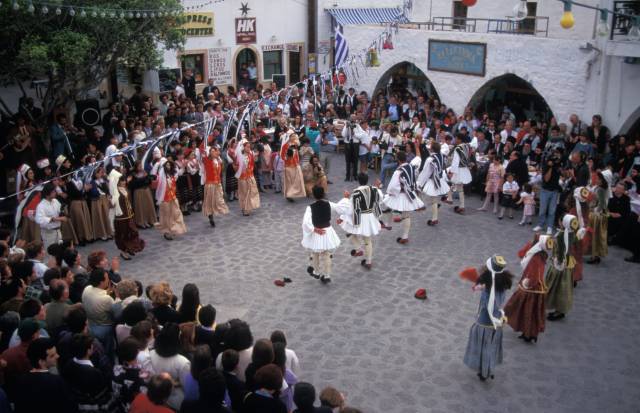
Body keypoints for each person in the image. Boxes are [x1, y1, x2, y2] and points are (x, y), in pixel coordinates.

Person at [462, 255, 513, 381]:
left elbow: (486, 305)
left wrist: (482, 288)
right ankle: (489, 369)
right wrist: (482, 287)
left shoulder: (489, 288)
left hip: (485, 322)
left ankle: (484, 372)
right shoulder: (501, 284)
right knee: (491, 346)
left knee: (484, 347)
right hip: (497, 322)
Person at [504, 235, 554, 343]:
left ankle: (528, 333)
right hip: (536, 288)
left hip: (532, 289)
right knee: (532, 312)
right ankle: (530, 333)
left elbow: (534, 274)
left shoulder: (536, 257)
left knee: (527, 311)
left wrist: (527, 283)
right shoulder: (541, 255)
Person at [13, 338, 78, 413]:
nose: (58, 356)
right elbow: (71, 407)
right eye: (52, 355)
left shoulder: (20, 382)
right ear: (41, 361)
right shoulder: (58, 382)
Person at [337, 173, 383, 270]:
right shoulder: (374, 189)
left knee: (350, 233)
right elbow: (380, 199)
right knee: (367, 240)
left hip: (360, 218)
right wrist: (378, 187)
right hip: (370, 216)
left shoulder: (356, 193)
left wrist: (345, 198)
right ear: (367, 180)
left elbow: (350, 209)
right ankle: (368, 261)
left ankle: (358, 249)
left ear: (358, 180)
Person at [546, 214, 584, 321]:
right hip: (567, 263)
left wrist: (557, 260)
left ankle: (559, 310)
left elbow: (560, 251)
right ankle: (560, 309)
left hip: (560, 265)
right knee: (563, 287)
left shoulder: (561, 235)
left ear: (562, 222)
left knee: (557, 286)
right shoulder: (571, 234)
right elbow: (575, 240)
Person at [381, 151, 424, 245]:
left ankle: (388, 224)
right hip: (410, 193)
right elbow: (417, 164)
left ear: (398, 160)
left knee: (390, 204)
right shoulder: (411, 166)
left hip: (401, 193)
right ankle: (405, 236)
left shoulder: (398, 171)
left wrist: (391, 193)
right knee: (407, 215)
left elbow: (393, 186)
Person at [302, 185, 342, 284]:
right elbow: (340, 209)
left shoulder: (310, 207)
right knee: (326, 253)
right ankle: (327, 275)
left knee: (315, 253)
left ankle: (316, 272)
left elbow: (306, 222)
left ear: (313, 195)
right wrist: (345, 198)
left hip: (317, 232)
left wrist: (314, 229)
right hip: (327, 231)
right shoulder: (329, 204)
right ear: (323, 194)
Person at [149, 322, 191, 410]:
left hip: (154, 394)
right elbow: (186, 386)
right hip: (175, 400)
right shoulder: (183, 362)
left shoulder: (151, 353)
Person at [82, 268, 116, 357]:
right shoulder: (106, 299)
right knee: (109, 350)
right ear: (101, 282)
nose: (108, 279)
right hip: (104, 327)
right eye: (107, 278)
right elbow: (115, 311)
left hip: (90, 324)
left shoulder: (87, 289)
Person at [416, 141, 450, 226]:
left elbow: (425, 172)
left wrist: (419, 183)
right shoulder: (442, 156)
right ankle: (434, 210)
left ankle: (434, 218)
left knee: (432, 198)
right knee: (433, 198)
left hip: (433, 180)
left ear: (432, 149)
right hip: (440, 178)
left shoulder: (430, 159)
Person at [113, 175, 145, 260]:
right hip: (121, 217)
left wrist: (131, 210)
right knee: (123, 234)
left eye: (124, 180)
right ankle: (123, 252)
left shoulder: (125, 189)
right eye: (122, 181)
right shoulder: (115, 191)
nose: (124, 182)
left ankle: (129, 248)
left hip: (128, 215)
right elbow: (113, 204)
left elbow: (128, 201)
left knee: (131, 232)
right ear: (118, 182)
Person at [156, 159, 188, 241]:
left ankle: (174, 229)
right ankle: (166, 232)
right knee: (166, 216)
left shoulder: (172, 175)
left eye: (169, 165)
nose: (168, 166)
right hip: (165, 200)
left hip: (173, 198)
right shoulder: (161, 177)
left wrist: (184, 166)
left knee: (176, 213)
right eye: (166, 165)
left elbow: (179, 173)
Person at [201, 146, 229, 227]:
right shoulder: (207, 160)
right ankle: (210, 216)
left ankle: (217, 211)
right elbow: (202, 156)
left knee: (218, 199)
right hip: (210, 184)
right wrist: (204, 152)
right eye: (212, 151)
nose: (214, 152)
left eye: (215, 151)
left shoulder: (218, 160)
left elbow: (221, 170)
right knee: (210, 201)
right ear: (209, 153)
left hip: (217, 183)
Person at [534, 155, 562, 235]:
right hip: (545, 190)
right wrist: (550, 167)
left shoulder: (558, 167)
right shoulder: (546, 166)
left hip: (555, 191)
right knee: (542, 209)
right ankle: (540, 224)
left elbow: (563, 175)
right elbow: (546, 179)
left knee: (552, 210)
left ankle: (549, 226)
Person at [447, 133, 473, 214]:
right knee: (460, 188)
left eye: (456, 138)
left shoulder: (458, 148)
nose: (455, 140)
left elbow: (455, 161)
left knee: (454, 184)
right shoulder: (467, 146)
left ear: (459, 139)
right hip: (465, 169)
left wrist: (451, 172)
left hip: (459, 169)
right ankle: (460, 205)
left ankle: (450, 199)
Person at [586, 172, 609, 265]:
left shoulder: (600, 189)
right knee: (595, 236)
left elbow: (602, 203)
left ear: (601, 179)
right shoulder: (598, 188)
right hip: (597, 214)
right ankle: (595, 255)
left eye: (597, 179)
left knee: (595, 236)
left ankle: (595, 256)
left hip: (598, 216)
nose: (595, 180)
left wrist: (595, 211)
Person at [34, 182, 65, 248]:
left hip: (58, 231)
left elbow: (60, 212)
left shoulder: (56, 201)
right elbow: (39, 219)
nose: (55, 193)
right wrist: (54, 219)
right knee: (51, 254)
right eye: (53, 191)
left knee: (60, 253)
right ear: (47, 193)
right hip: (48, 233)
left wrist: (63, 214)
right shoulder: (41, 205)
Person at [234, 140, 261, 216]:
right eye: (247, 147)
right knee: (244, 193)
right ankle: (245, 208)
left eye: (250, 147)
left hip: (250, 176)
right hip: (242, 178)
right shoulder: (239, 156)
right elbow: (236, 168)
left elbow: (254, 162)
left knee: (252, 192)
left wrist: (255, 156)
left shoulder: (250, 154)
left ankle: (249, 206)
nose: (249, 148)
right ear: (243, 147)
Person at [280, 132, 307, 202]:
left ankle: (295, 193)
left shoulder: (295, 144)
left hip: (296, 164)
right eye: (292, 136)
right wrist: (287, 156)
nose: (294, 138)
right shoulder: (285, 146)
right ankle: (289, 195)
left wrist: (298, 160)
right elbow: (282, 156)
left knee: (298, 179)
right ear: (289, 137)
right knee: (289, 181)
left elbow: (297, 154)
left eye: (294, 136)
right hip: (288, 165)